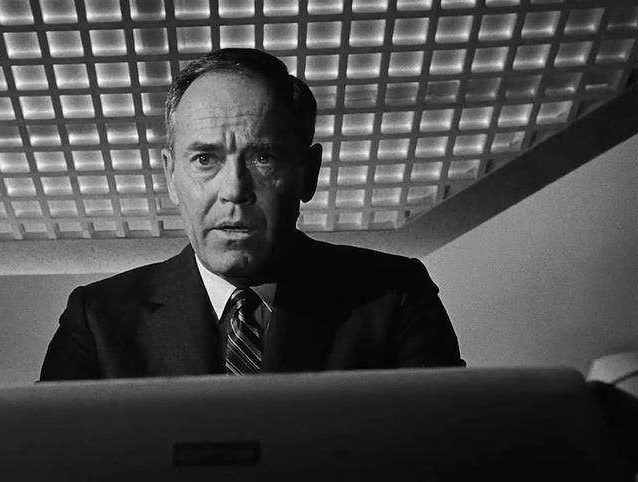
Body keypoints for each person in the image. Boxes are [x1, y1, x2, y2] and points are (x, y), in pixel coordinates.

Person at [40, 48, 464, 380]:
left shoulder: (395, 297)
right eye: (205, 159)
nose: (235, 190)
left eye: (262, 157)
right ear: (171, 175)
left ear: (308, 174)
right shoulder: (97, 318)